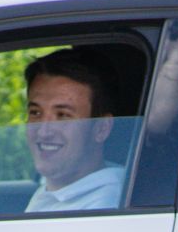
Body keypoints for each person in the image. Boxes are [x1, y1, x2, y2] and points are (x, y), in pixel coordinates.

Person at [22, 50, 125, 212]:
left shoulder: (105, 206)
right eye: (35, 113)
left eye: (63, 115)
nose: (43, 132)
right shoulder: (59, 192)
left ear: (101, 128)